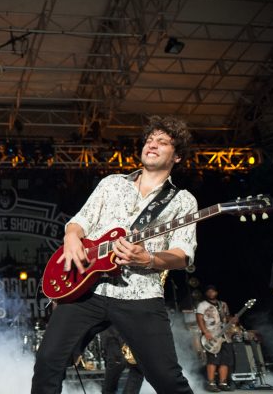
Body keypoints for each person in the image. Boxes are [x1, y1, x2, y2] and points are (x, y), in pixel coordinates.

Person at [31, 115, 197, 394]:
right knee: (48, 362)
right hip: (88, 290)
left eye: (163, 142)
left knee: (167, 380)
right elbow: (79, 221)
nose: (152, 145)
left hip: (140, 296)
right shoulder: (111, 183)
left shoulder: (182, 201)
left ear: (177, 156)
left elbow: (183, 254)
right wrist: (71, 237)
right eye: (150, 139)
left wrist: (151, 260)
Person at [196, 285, 236, 392]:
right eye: (208, 291)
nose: (211, 293)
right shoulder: (202, 305)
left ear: (216, 292)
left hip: (225, 336)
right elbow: (199, 319)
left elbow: (227, 317)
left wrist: (232, 319)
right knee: (213, 360)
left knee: (225, 361)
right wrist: (205, 332)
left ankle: (223, 383)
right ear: (206, 293)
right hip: (211, 335)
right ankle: (211, 383)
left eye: (213, 291)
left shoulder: (223, 304)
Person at [100, 327, 144, 394]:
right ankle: (107, 391)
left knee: (139, 365)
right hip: (112, 330)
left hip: (134, 329)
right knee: (117, 362)